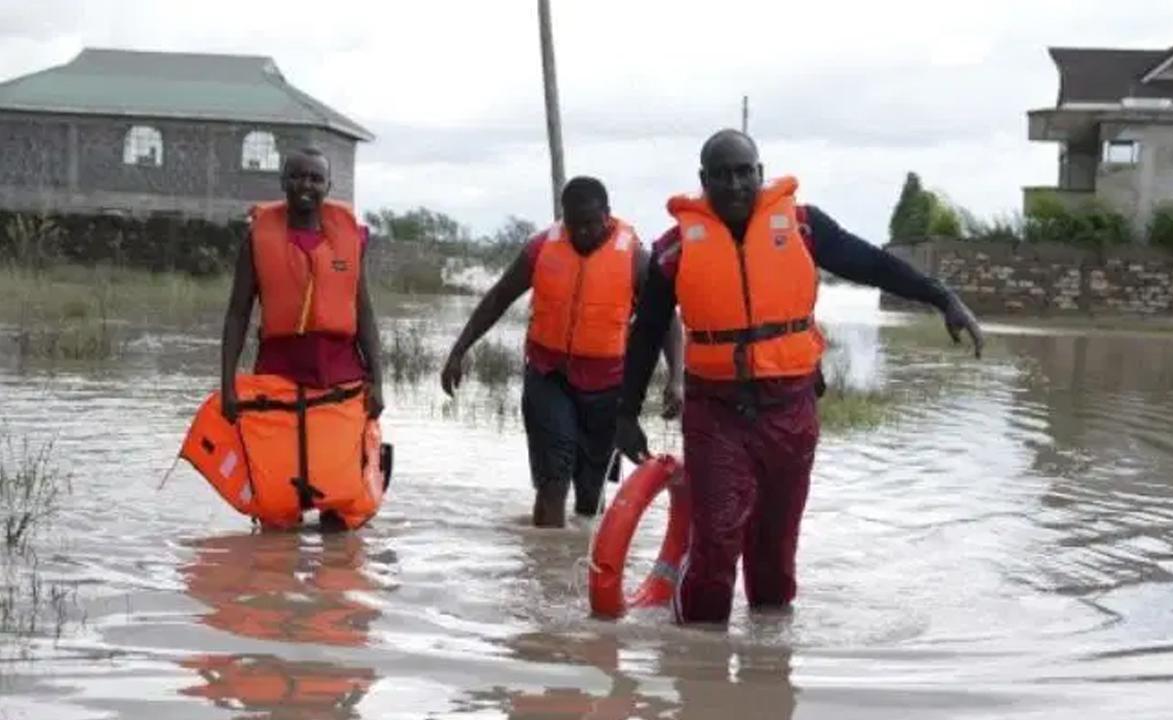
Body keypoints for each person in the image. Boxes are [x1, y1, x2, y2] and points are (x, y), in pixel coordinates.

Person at [613, 130, 984, 626]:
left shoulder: (805, 227)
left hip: (790, 406)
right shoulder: (674, 250)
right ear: (703, 182)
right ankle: (698, 664)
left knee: (775, 547)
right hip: (715, 412)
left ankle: (769, 664)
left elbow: (872, 263)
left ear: (760, 174)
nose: (735, 184)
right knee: (717, 538)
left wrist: (941, 296)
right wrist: (624, 412)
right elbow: (647, 332)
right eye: (721, 175)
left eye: (744, 172)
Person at [441, 176, 682, 528]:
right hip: (548, 377)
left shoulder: (635, 259)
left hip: (607, 388)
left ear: (607, 215)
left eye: (590, 223)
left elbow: (665, 321)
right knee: (553, 481)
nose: (582, 232)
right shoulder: (541, 249)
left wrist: (677, 378)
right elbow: (499, 297)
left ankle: (576, 571)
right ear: (563, 219)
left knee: (590, 493)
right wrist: (459, 350)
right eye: (574, 224)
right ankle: (543, 574)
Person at [219, 146, 385, 529]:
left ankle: (331, 588)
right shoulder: (257, 239)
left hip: (340, 377)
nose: (305, 185)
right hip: (278, 375)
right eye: (296, 176)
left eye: (314, 178)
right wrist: (227, 383)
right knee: (278, 509)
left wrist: (378, 379)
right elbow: (237, 314)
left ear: (328, 185)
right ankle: (277, 585)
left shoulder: (350, 240)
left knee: (339, 506)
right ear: (282, 182)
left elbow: (364, 314)